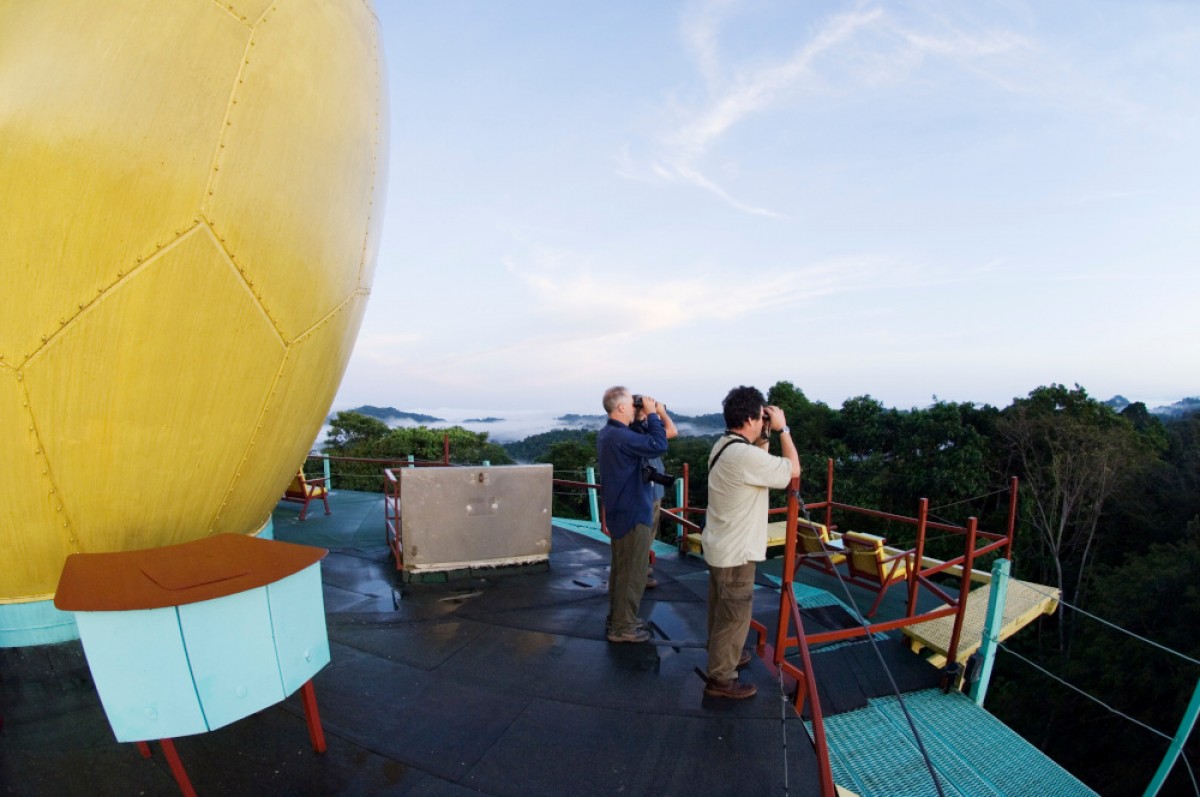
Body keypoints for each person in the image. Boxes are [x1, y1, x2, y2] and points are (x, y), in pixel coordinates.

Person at [702, 385, 800, 699]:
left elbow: (759, 462)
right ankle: (721, 679)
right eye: (760, 418)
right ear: (749, 418)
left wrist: (766, 433)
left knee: (721, 609)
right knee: (734, 614)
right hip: (737, 551)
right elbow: (792, 471)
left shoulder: (724, 446)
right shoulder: (742, 455)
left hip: (721, 544)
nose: (763, 422)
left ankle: (724, 654)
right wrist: (783, 428)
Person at [596, 386, 668, 643]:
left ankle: (618, 618)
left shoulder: (610, 434)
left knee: (621, 569)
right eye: (632, 403)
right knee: (633, 572)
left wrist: (640, 419)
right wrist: (652, 415)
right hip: (632, 511)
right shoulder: (620, 437)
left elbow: (636, 440)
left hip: (620, 510)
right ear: (622, 407)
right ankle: (622, 627)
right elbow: (658, 444)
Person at [630, 401, 677, 589]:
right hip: (645, 493)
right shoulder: (635, 432)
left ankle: (639, 569)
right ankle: (637, 577)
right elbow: (672, 431)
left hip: (652, 490)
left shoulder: (641, 429)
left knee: (647, 535)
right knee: (642, 536)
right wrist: (659, 413)